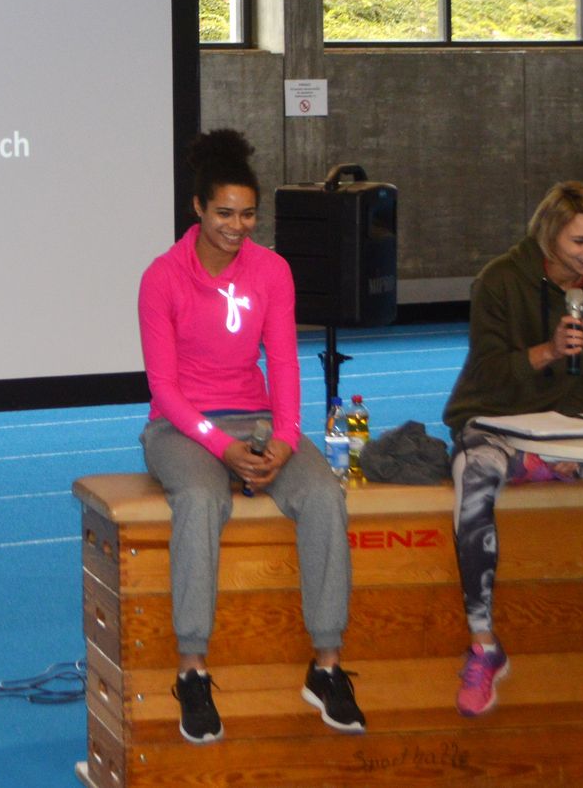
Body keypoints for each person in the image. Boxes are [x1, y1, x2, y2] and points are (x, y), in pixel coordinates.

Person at [137, 129, 365, 744]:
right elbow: (164, 389)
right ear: (197, 208)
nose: (237, 227)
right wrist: (222, 448)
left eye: (247, 215)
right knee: (201, 498)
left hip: (257, 420)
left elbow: (284, 363)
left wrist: (285, 440)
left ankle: (326, 665)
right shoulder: (162, 277)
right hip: (182, 427)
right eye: (224, 214)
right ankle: (192, 670)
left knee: (324, 495)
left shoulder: (272, 271)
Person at [440, 180, 583, 717]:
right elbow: (487, 374)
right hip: (492, 416)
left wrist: (566, 436)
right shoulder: (499, 280)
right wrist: (546, 352)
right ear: (550, 238)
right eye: (580, 242)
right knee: (475, 483)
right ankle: (484, 644)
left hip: (564, 425)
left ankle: (538, 464)